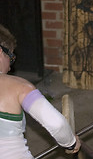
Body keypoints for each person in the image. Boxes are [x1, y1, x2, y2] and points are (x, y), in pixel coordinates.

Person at [0, 24, 81, 158]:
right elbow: (57, 124)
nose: (9, 67)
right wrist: (70, 142)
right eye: (11, 57)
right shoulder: (19, 87)